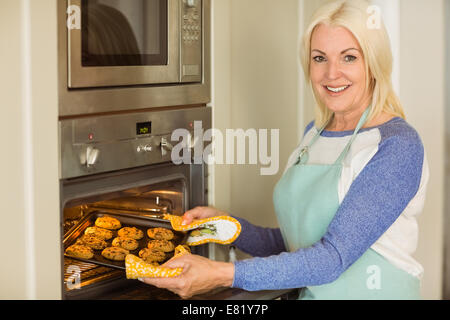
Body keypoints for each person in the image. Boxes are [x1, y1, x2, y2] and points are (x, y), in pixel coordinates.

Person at [140, 0, 429, 300]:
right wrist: (232, 227)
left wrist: (220, 274)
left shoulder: (396, 146)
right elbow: (298, 243)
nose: (332, 73)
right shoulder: (314, 135)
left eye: (349, 57)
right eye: (319, 58)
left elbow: (331, 258)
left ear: (374, 63)